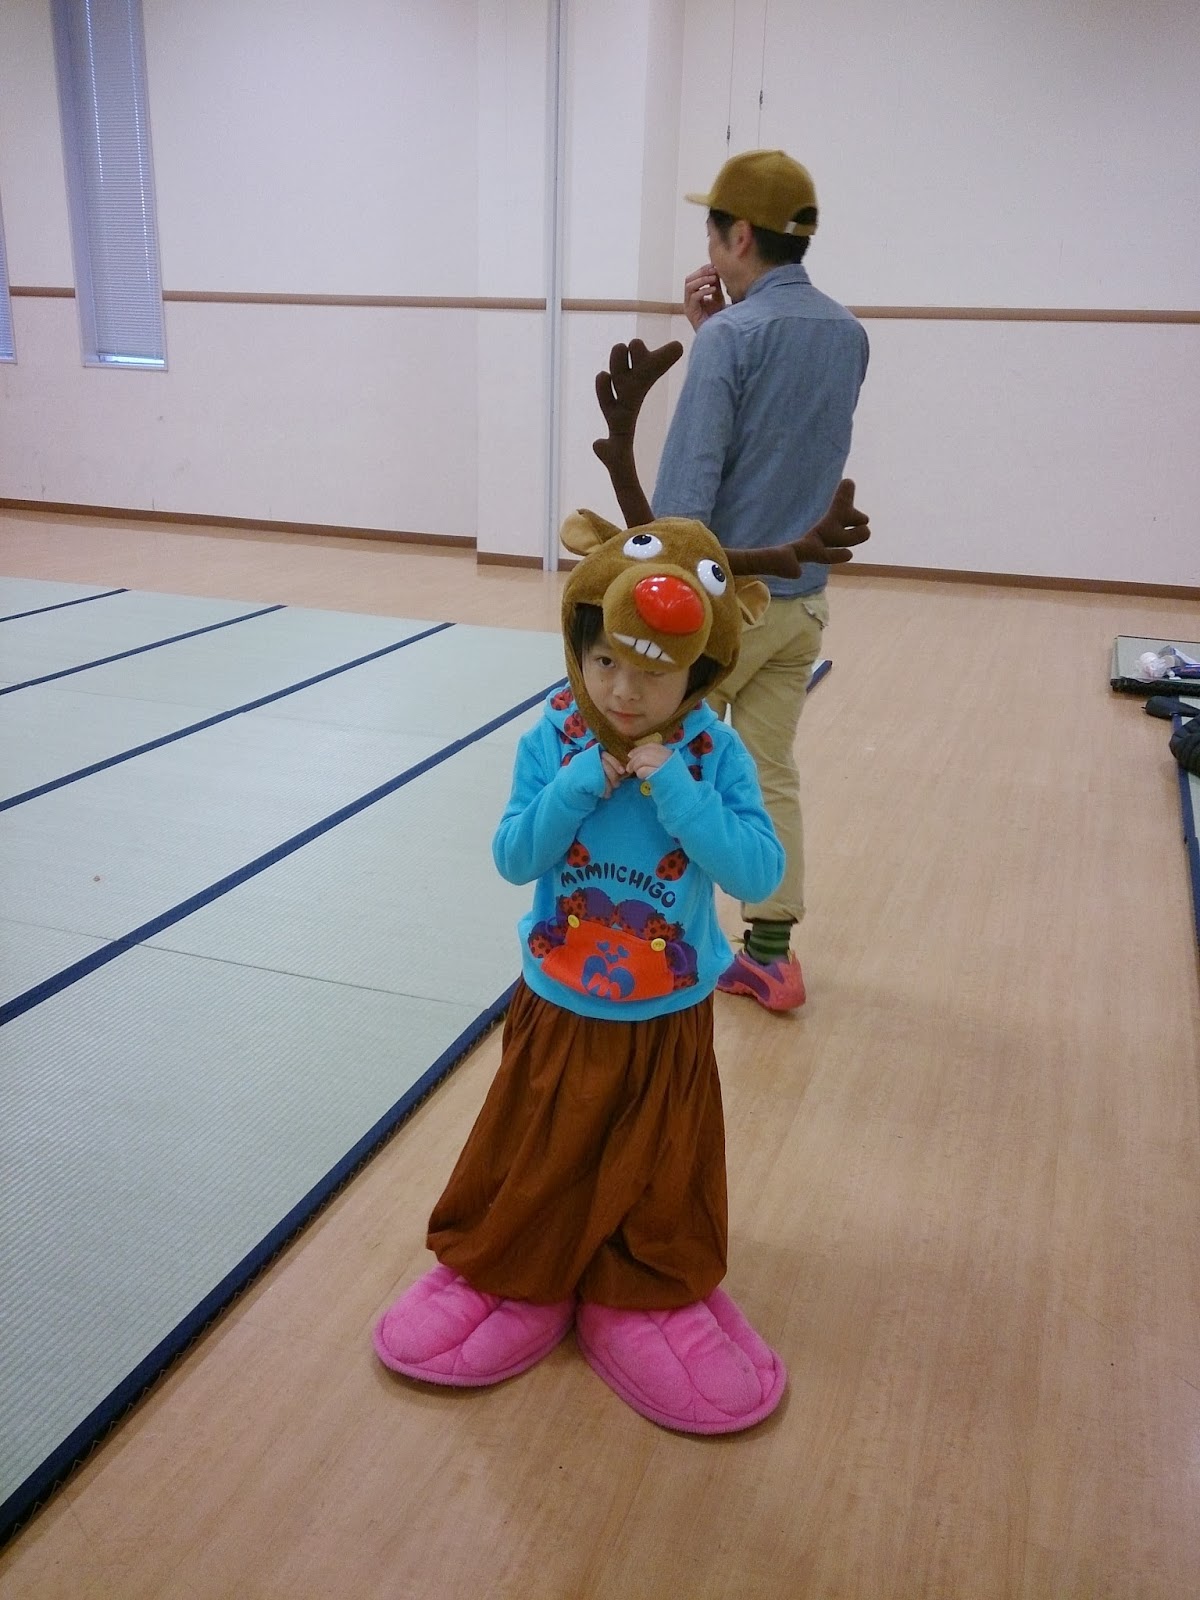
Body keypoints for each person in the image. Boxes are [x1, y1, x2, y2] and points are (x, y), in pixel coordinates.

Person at [373, 508, 790, 1434]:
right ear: (579, 645)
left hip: (666, 1012)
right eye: (605, 661)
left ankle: (641, 1284)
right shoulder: (555, 735)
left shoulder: (713, 752)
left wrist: (677, 790)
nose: (624, 692)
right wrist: (577, 785)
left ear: (701, 670)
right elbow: (513, 856)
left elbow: (761, 874)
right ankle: (515, 1266)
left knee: (659, 1163)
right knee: (535, 1149)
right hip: (558, 1001)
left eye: (654, 672)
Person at [652, 148, 870, 1012]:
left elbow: (687, 495)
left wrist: (716, 341)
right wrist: (718, 333)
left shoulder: (733, 339)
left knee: (661, 764)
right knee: (769, 772)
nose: (708, 246)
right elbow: (783, 435)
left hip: (724, 610)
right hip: (802, 606)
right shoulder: (847, 334)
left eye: (713, 230)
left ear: (739, 235)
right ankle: (772, 957)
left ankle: (656, 935)